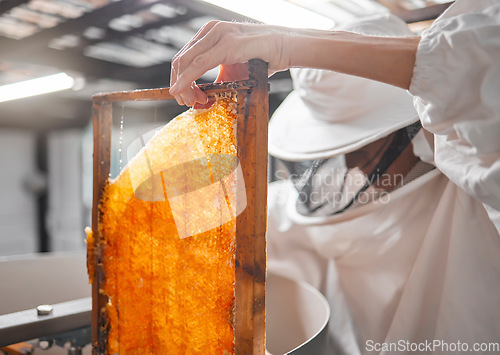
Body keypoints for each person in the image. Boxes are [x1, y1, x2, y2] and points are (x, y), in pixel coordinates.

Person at [170, 0, 500, 353]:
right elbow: (239, 221)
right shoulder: (304, 208)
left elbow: (484, 66)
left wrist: (289, 46)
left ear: (414, 127)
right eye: (338, 152)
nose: (351, 166)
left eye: (363, 146)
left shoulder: (477, 194)